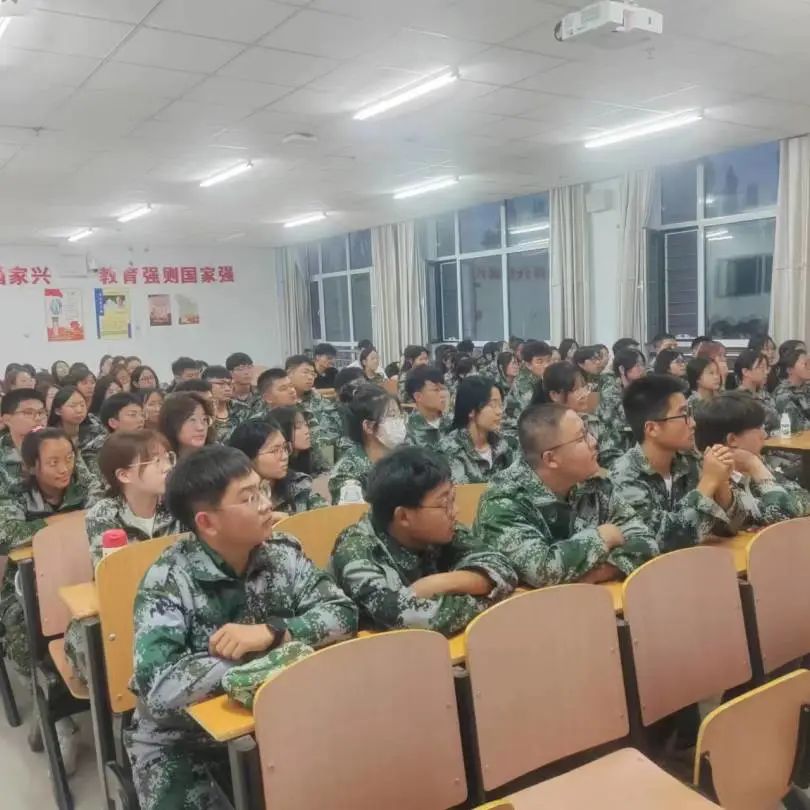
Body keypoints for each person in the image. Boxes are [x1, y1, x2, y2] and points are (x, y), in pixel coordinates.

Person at [126, 445, 357, 810]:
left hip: (282, 717)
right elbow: (161, 687)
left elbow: (342, 614)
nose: (266, 505)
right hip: (184, 741)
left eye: (262, 490)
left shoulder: (281, 553)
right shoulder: (167, 580)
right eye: (249, 498)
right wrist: (274, 657)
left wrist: (273, 632)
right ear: (207, 522)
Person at [330, 446, 516, 636]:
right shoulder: (356, 551)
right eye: (445, 504)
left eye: (453, 499)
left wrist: (439, 583)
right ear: (403, 517)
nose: (455, 511)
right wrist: (489, 596)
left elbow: (502, 567)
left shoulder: (443, 531)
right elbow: (411, 619)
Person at [475, 404, 657, 587]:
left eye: (589, 432)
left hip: (596, 598)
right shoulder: (503, 500)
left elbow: (646, 540)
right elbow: (543, 571)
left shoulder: (591, 483)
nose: (594, 441)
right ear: (551, 459)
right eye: (581, 437)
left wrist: (602, 571)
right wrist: (603, 537)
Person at [63, 431, 181, 686]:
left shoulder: (177, 504)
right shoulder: (104, 514)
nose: (167, 467)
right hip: (122, 605)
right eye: (155, 461)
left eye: (168, 458)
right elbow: (114, 575)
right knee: (110, 664)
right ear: (124, 475)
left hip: (171, 603)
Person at [0, 427, 99, 705]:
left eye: (69, 458)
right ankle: (43, 702)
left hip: (77, 574)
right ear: (32, 466)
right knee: (22, 635)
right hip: (23, 585)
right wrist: (56, 523)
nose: (64, 468)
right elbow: (8, 533)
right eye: (53, 462)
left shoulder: (82, 482)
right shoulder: (15, 493)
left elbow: (102, 508)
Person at [611, 374, 746, 551]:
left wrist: (721, 482)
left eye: (690, 413)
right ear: (652, 429)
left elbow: (731, 527)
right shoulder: (623, 476)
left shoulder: (689, 461)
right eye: (683, 415)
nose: (693, 423)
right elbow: (665, 541)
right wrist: (708, 482)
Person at [694, 392, 810, 525]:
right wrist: (755, 466)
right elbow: (781, 518)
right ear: (732, 439)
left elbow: (805, 498)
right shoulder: (715, 478)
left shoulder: (753, 463)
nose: (764, 435)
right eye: (759, 428)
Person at [229, 418, 326, 515]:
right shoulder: (235, 498)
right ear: (248, 457)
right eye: (274, 451)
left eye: (285, 448)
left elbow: (325, 517)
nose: (285, 456)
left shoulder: (299, 483)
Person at [328, 385, 405, 504]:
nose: (399, 421)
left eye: (399, 415)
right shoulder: (347, 472)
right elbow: (355, 515)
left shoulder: (405, 457)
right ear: (368, 426)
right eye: (391, 416)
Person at [439, 376, 512, 483]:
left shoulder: (504, 444)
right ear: (471, 411)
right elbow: (460, 490)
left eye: (500, 405)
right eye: (492, 405)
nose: (499, 412)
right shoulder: (450, 449)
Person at [596, 349, 648, 468]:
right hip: (616, 444)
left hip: (636, 441)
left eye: (642, 365)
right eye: (637, 365)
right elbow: (621, 421)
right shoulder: (611, 391)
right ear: (622, 369)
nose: (642, 369)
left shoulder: (640, 389)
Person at [286, 354, 341, 457]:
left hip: (328, 457)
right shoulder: (283, 402)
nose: (310, 377)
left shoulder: (317, 399)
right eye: (305, 372)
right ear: (289, 374)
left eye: (312, 374)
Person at [82, 392, 146, 472]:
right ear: (113, 423)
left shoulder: (146, 443)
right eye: (132, 415)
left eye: (142, 415)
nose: (141, 420)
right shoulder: (96, 451)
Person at [0, 389, 47, 492]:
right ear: (7, 419)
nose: (38, 418)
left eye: (41, 412)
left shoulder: (58, 444)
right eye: (28, 413)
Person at [503, 340, 554, 432]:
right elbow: (534, 413)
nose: (546, 365)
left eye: (548, 360)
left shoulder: (540, 378)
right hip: (515, 430)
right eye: (540, 362)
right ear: (528, 364)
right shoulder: (523, 383)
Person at [48, 385, 106, 462]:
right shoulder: (49, 437)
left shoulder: (96, 433)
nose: (79, 410)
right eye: (73, 406)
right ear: (58, 411)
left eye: (82, 405)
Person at [404, 366, 450, 448]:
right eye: (436, 390)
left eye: (443, 389)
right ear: (418, 396)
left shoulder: (453, 422)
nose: (442, 394)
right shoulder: (408, 430)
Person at [734, 349, 779, 433]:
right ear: (745, 372)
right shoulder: (737, 400)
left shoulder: (765, 395)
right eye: (761, 368)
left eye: (766, 368)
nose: (766, 372)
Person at [158, 392, 215, 458]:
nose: (200, 428)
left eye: (204, 419)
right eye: (192, 420)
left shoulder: (217, 458)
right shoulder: (160, 460)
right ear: (172, 423)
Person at [773, 346, 810, 431]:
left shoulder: (806, 388)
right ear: (790, 370)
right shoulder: (783, 394)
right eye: (805, 364)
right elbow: (796, 425)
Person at [200, 365, 239, 442]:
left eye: (229, 384)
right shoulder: (198, 411)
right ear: (205, 385)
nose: (227, 389)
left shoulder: (242, 409)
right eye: (221, 384)